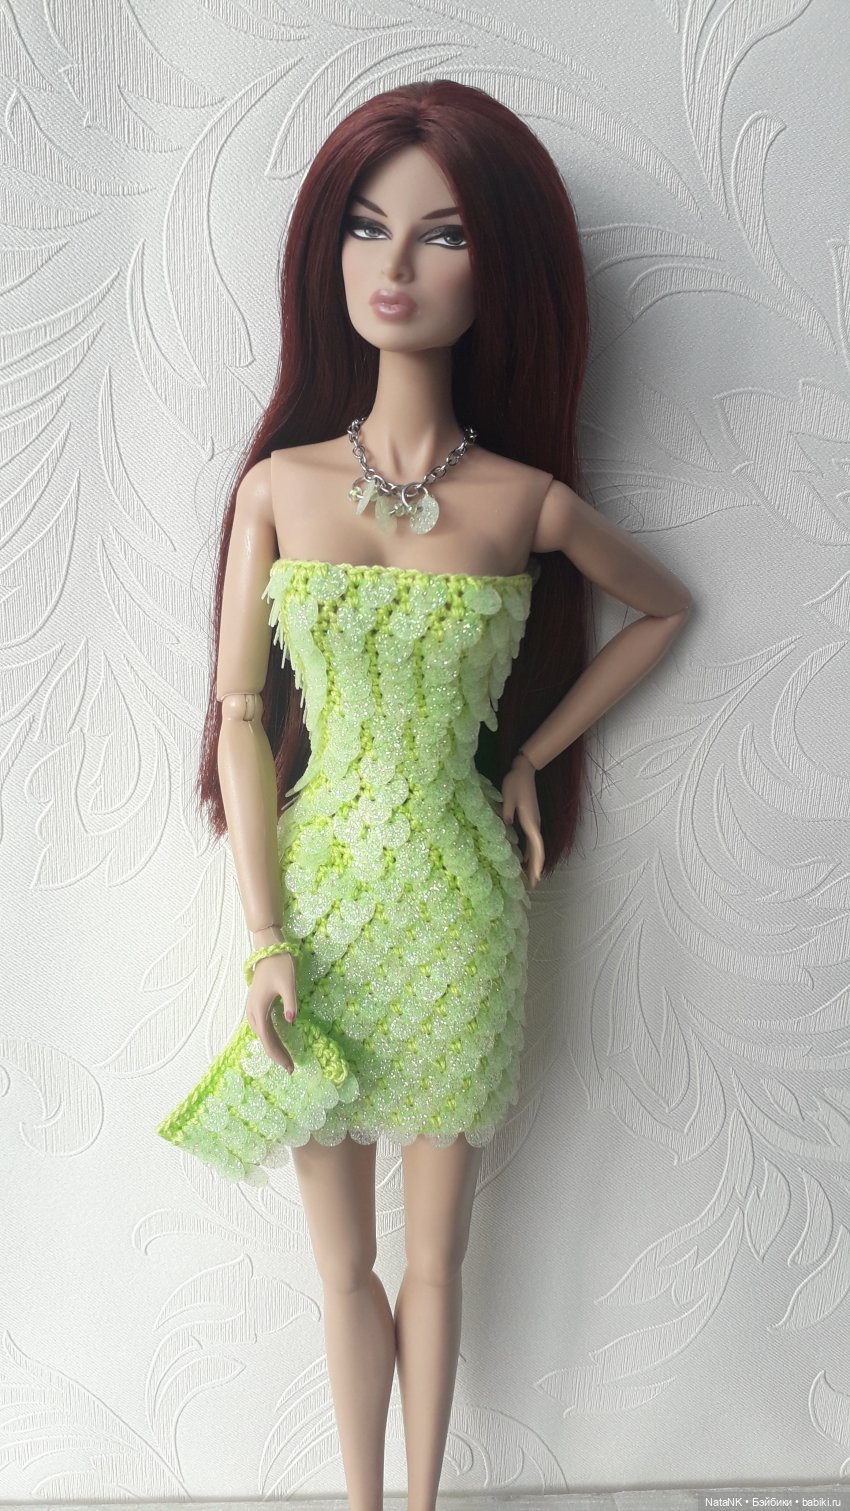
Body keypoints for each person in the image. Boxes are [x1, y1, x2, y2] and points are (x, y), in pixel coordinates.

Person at [157, 79, 692, 1511]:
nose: (393, 266)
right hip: (316, 906)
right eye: (365, 226)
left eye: (441, 235)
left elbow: (661, 609)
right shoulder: (280, 487)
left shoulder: (522, 500)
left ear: (496, 269)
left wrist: (527, 755)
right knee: (339, 1261)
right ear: (326, 253)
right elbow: (240, 718)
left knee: (437, 1258)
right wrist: (264, 938)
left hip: (458, 901)